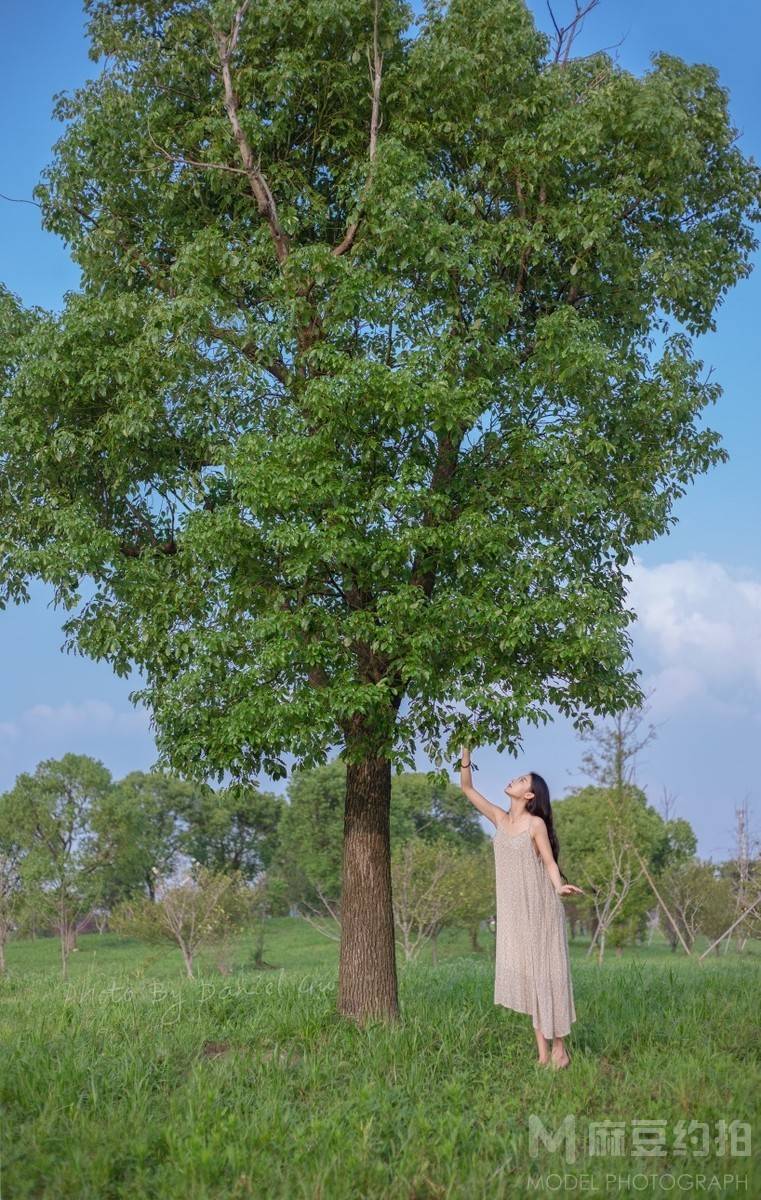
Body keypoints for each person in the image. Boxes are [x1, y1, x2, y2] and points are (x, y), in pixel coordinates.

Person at [458, 747, 583, 1069]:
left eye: (522, 780)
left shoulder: (535, 824)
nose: (514, 779)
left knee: (546, 976)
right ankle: (542, 1056)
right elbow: (467, 789)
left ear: (529, 794)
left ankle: (560, 1050)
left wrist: (559, 887)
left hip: (540, 908)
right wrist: (465, 753)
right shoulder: (500, 819)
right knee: (529, 980)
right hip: (514, 913)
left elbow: (550, 863)